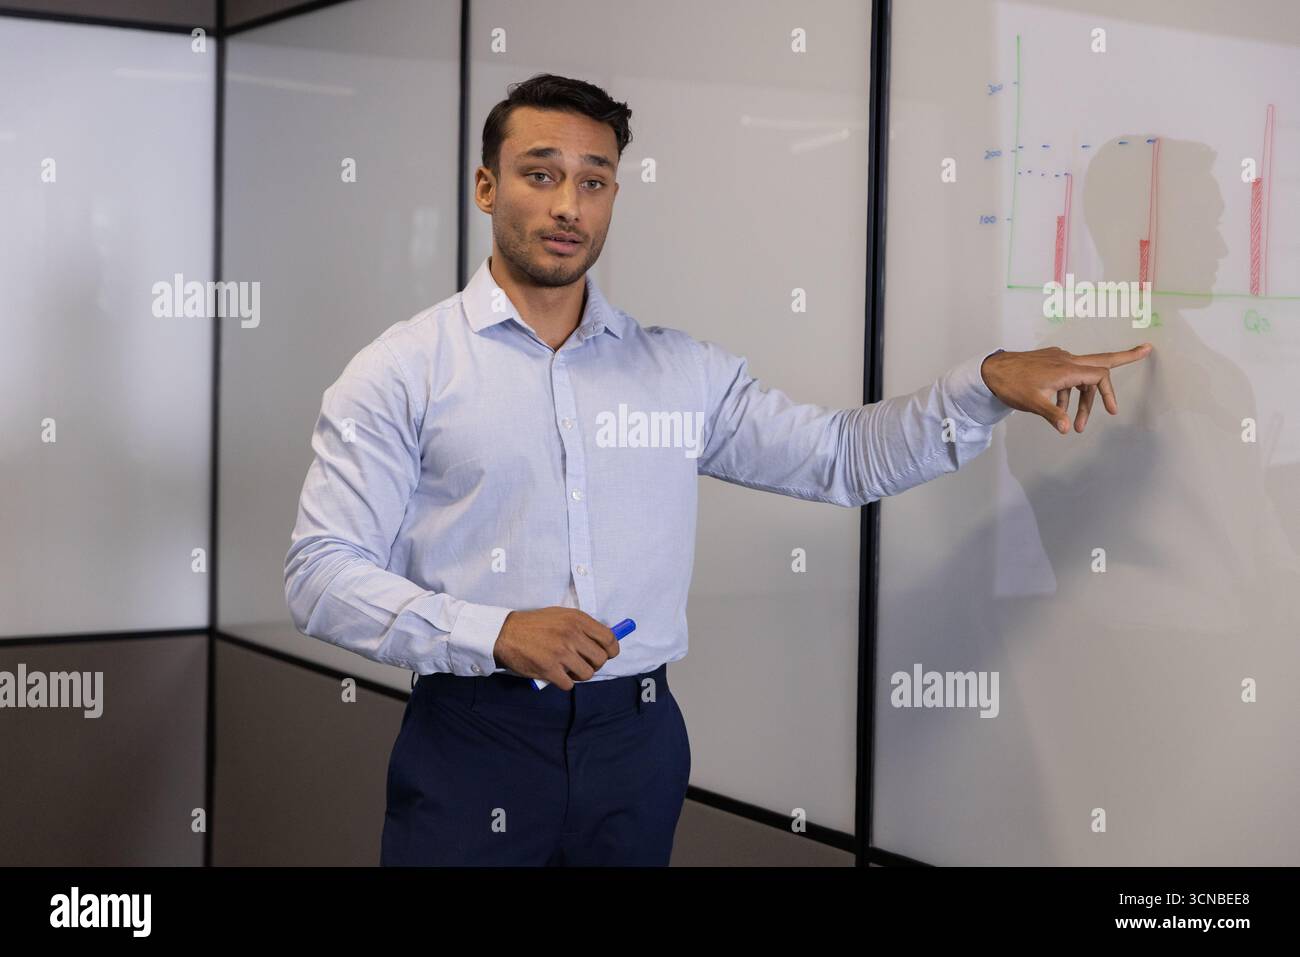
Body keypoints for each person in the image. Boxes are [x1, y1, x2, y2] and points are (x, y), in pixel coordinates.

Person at [283, 73, 1152, 867]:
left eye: (594, 180)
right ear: (486, 187)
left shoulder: (679, 372)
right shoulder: (402, 369)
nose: (568, 205)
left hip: (638, 743)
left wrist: (986, 382)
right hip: (476, 737)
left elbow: (841, 458)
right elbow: (319, 575)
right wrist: (495, 630)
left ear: (615, 195)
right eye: (539, 174)